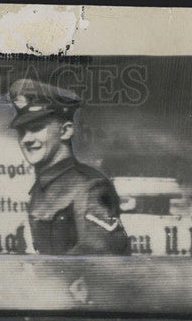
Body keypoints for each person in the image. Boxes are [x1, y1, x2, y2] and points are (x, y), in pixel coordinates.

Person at [9, 78, 130, 256]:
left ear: (65, 131)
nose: (26, 139)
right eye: (22, 131)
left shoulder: (89, 186)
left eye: (36, 128)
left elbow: (100, 258)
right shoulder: (41, 188)